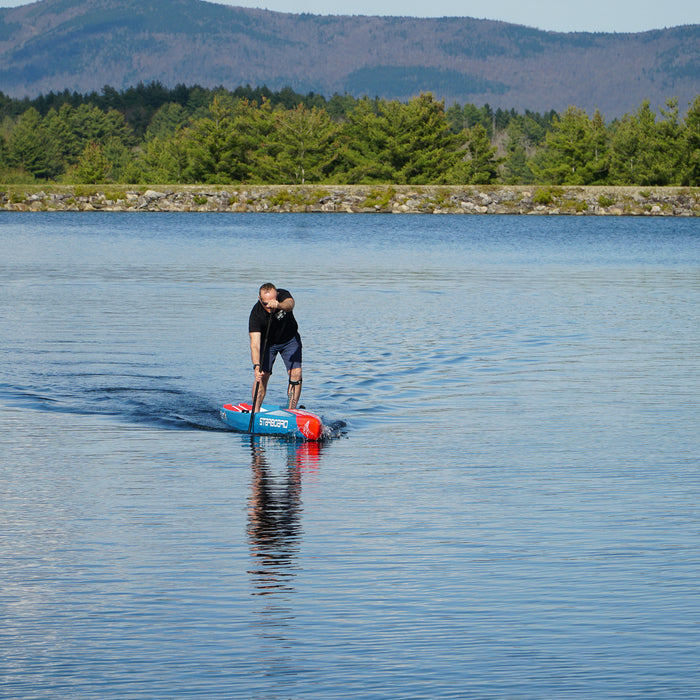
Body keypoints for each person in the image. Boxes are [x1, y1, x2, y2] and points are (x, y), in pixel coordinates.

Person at [249, 283, 303, 411]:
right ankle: (255, 411)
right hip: (268, 344)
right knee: (262, 376)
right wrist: (256, 366)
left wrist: (279, 305)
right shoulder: (256, 315)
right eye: (266, 303)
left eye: (272, 301)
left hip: (290, 340)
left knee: (296, 373)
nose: (269, 306)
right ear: (259, 299)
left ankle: (291, 411)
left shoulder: (283, 295)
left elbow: (290, 304)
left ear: (277, 295)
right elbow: (255, 344)